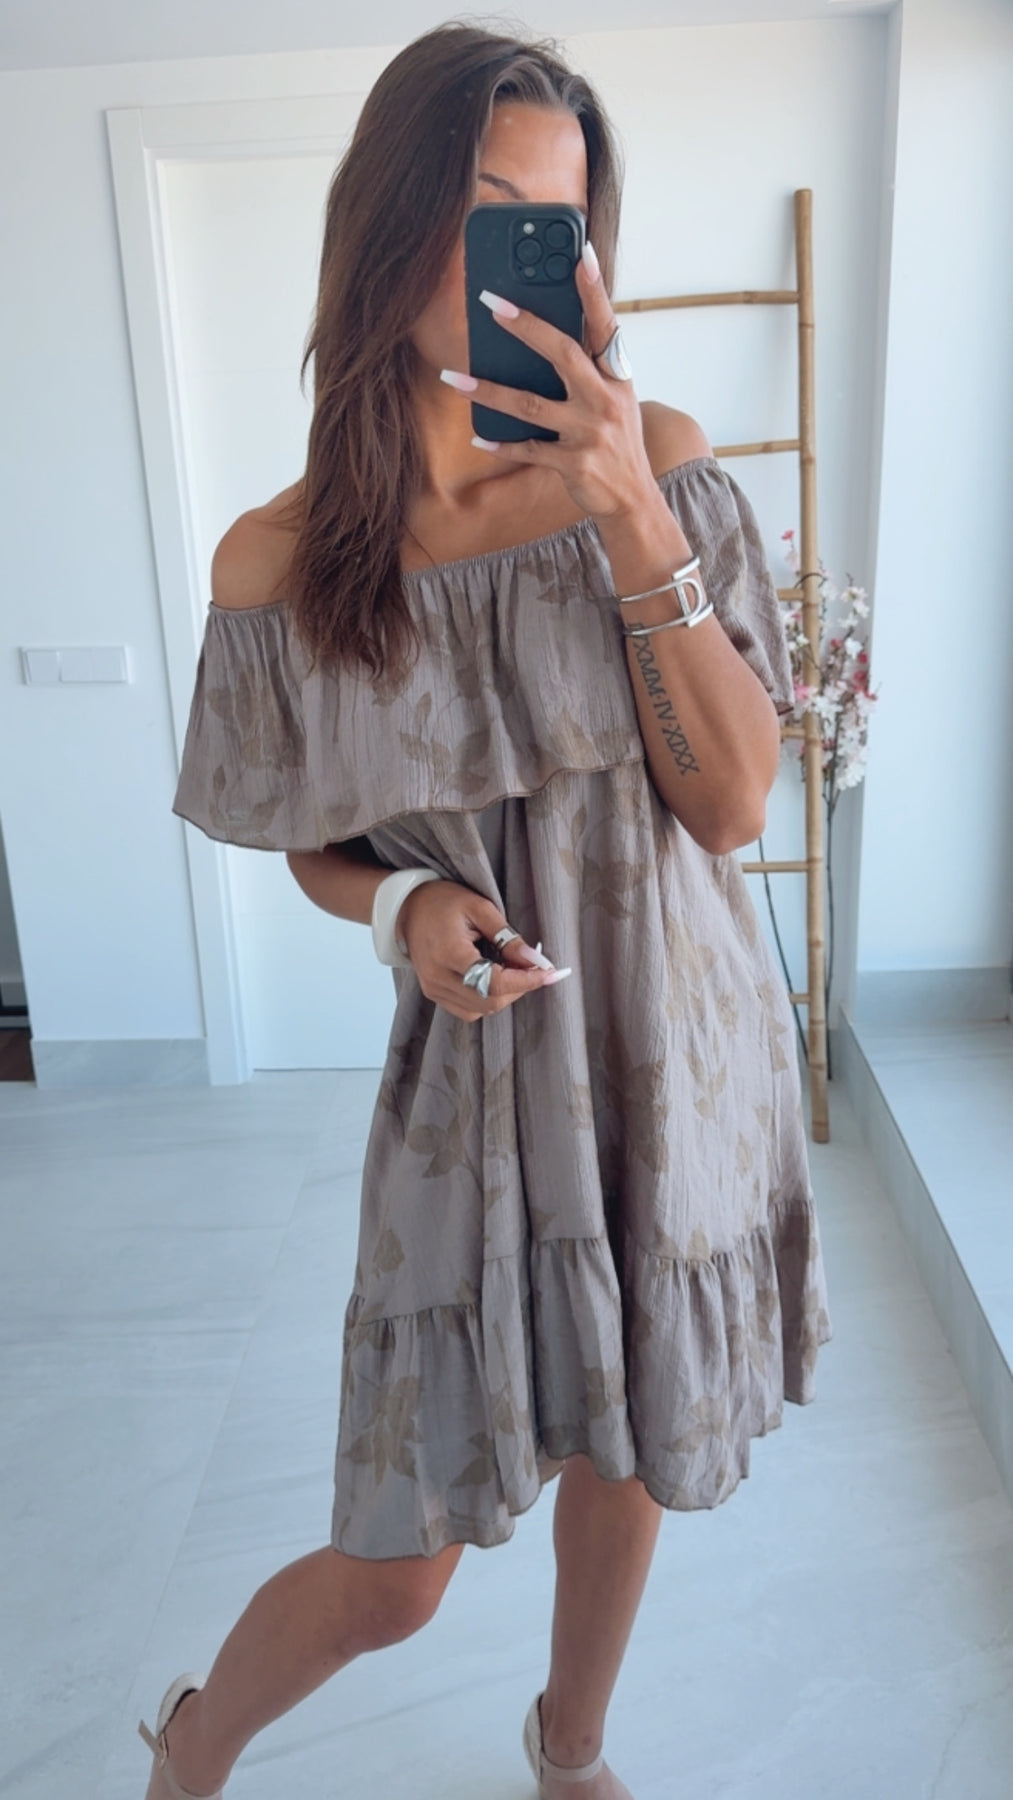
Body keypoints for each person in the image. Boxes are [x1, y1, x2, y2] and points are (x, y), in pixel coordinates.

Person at [145, 20, 833, 1800]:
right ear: (382, 216)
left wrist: (628, 517)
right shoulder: (284, 562)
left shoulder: (655, 464)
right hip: (473, 1088)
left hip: (673, 1045)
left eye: (555, 218)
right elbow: (310, 840)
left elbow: (732, 804)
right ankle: (192, 1746)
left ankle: (569, 1745)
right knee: (397, 1567)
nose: (521, 249)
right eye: (480, 201)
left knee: (630, 1442)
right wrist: (402, 906)